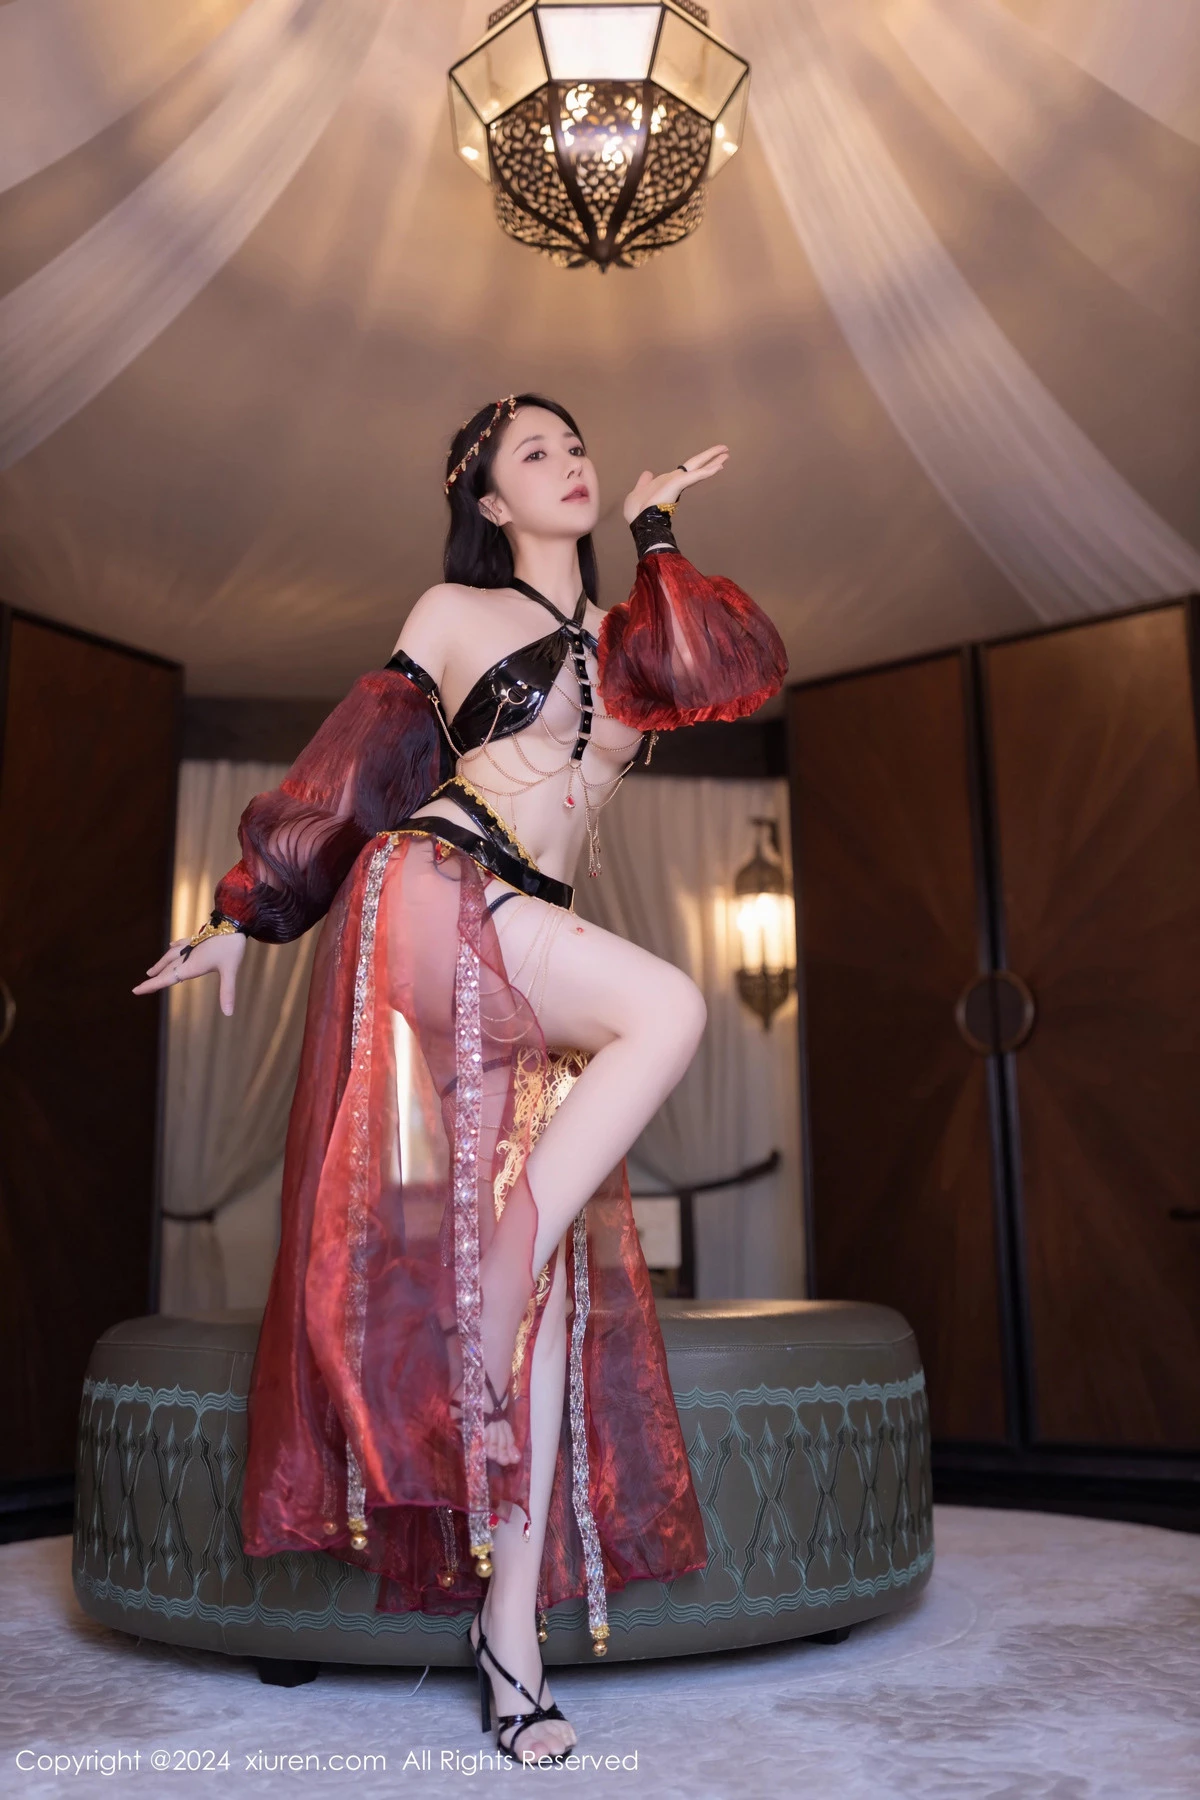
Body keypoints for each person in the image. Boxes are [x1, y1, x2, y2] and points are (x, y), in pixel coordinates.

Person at [134, 394, 787, 1767]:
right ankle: (489, 1286)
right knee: (668, 1007)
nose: (571, 463)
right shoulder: (453, 611)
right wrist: (247, 913)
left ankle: (510, 1651)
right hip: (438, 888)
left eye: (576, 446)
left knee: (539, 1323)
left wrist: (658, 529)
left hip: (527, 936)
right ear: (490, 500)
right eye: (535, 453)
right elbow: (356, 769)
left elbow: (726, 669)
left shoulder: (631, 637)